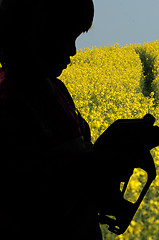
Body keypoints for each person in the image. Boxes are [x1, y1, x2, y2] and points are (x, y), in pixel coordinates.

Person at [0, 0, 104, 238]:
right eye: (67, 37)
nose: (73, 51)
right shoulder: (8, 102)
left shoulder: (58, 92)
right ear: (35, 34)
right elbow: (42, 193)